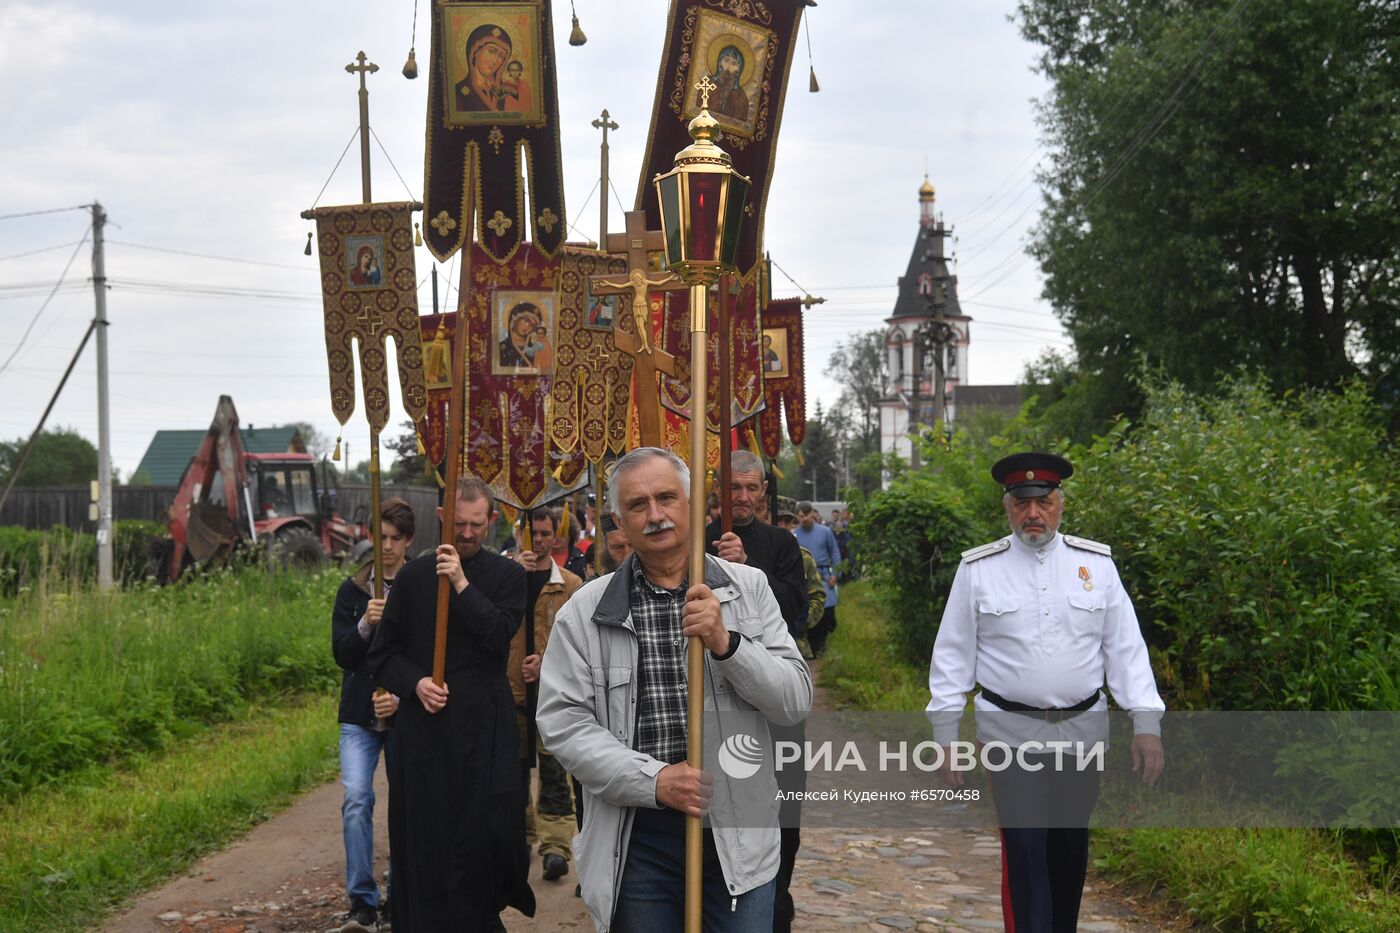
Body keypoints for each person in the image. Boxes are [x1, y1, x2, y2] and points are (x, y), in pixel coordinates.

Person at [537, 447, 813, 932]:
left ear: (693, 503)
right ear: (618, 520)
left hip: (738, 833)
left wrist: (729, 644)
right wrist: (655, 780)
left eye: (667, 497)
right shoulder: (583, 613)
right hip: (639, 837)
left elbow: (793, 700)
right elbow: (564, 724)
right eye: (638, 505)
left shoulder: (749, 589)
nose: (656, 515)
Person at [927, 452, 1166, 933]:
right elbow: (953, 654)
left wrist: (1146, 723)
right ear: (1007, 507)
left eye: (1043, 501)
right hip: (1009, 736)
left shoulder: (1095, 566)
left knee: (1067, 850)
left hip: (1082, 735)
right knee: (1026, 849)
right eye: (1021, 502)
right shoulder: (978, 570)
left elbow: (1124, 649)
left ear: (1060, 503)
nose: (1032, 513)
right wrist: (945, 733)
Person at [365, 477, 535, 931]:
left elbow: (498, 635)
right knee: (427, 832)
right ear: (441, 518)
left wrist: (460, 582)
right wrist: (416, 683)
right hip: (427, 729)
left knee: (488, 829)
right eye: (458, 523)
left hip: (484, 728)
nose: (466, 533)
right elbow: (381, 656)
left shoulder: (509, 576)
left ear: (492, 520)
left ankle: (480, 918)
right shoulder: (414, 576)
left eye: (476, 524)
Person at [331, 497, 415, 932]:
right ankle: (362, 900)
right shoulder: (353, 589)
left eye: (395, 539)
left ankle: (401, 894)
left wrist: (403, 697)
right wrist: (365, 622)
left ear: (408, 541)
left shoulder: (420, 585)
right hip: (359, 717)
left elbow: (427, 655)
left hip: (406, 715)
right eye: (379, 538)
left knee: (406, 803)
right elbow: (343, 654)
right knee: (357, 799)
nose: (387, 547)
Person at [508, 507, 582, 884]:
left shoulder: (569, 584)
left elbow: (579, 643)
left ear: (556, 536)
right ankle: (519, 838)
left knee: (555, 772)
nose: (537, 541)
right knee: (513, 771)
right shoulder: (504, 577)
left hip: (554, 696)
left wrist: (548, 663)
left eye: (544, 533)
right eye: (531, 533)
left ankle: (556, 846)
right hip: (512, 693)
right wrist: (512, 579)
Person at [773, 498, 823, 663]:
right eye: (778, 520)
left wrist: (801, 622)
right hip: (763, 649)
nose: (782, 526)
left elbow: (817, 596)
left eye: (787, 521)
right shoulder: (753, 556)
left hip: (797, 646)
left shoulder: (803, 558)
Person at [792, 502, 841, 657]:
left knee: (827, 610)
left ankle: (822, 644)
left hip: (824, 574)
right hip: (803, 577)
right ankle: (813, 646)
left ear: (812, 514)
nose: (804, 518)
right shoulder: (795, 534)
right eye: (800, 516)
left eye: (806, 515)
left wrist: (835, 574)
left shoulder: (825, 531)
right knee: (809, 609)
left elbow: (834, 552)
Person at [456, 23, 512, 113]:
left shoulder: (504, 91)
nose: (495, 61)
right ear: (475, 52)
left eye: (501, 56)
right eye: (491, 51)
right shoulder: (460, 91)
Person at [700, 44, 750, 123]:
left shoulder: (741, 97)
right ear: (720, 63)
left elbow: (739, 123)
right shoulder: (706, 83)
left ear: (738, 70)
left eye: (734, 63)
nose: (728, 67)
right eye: (726, 60)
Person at [499, 302, 542, 369]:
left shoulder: (534, 350)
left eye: (533, 326)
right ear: (514, 318)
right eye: (527, 320)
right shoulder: (500, 348)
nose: (529, 327)